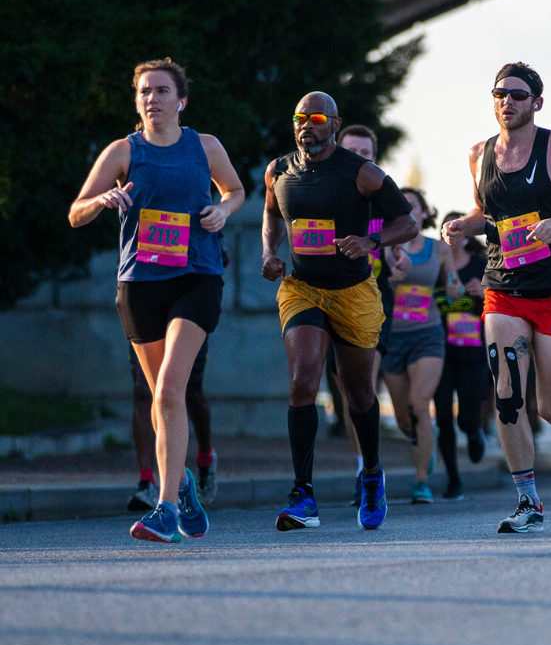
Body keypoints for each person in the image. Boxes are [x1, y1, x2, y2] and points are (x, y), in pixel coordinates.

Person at [70, 58, 244, 542]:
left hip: (197, 276)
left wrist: (222, 210)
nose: (151, 98)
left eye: (161, 90)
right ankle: (181, 480)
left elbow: (236, 190)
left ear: (180, 100)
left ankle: (165, 510)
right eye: (144, 91)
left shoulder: (204, 146)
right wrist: (101, 202)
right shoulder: (122, 152)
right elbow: (75, 213)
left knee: (170, 390)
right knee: (158, 398)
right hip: (140, 284)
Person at [442, 62, 551, 534]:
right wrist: (464, 223)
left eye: (518, 95)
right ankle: (528, 502)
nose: (508, 102)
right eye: (500, 93)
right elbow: (487, 212)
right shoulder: (479, 153)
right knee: (505, 393)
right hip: (503, 288)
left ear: (536, 102)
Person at [262, 92, 417, 531]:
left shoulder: (362, 173)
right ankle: (303, 495)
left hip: (353, 291)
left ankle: (371, 475)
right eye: (298, 118)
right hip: (302, 288)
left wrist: (371, 242)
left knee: (360, 394)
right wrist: (269, 252)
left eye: (315, 118)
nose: (305, 126)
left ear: (334, 123)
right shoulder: (278, 171)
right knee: (302, 381)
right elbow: (271, 216)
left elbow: (407, 222)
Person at [330, 123, 410, 505]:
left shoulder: (380, 196)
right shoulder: (322, 194)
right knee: (347, 389)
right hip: (327, 297)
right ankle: (362, 465)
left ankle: (370, 470)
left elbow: (400, 234)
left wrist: (398, 259)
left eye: (365, 153)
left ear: (373, 157)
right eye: (352, 151)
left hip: (375, 301)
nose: (358, 158)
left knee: (364, 382)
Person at [384, 188, 463, 504]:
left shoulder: (438, 249)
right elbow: (375, 286)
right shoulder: (384, 248)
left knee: (420, 405)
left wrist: (457, 287)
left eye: (411, 206)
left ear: (423, 213)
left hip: (427, 334)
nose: (407, 212)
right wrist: (391, 278)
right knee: (405, 420)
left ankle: (421, 482)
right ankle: (423, 448)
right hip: (390, 335)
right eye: (400, 208)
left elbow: (453, 288)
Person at [434, 211, 490, 500]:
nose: (454, 236)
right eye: (449, 230)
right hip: (438, 352)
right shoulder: (434, 266)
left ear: (467, 235)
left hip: (473, 352)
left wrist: (483, 292)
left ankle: (474, 432)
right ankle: (454, 479)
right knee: (442, 416)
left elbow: (504, 304)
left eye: (459, 230)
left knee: (466, 418)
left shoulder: (482, 266)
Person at [127, 340, 217, 510]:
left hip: (183, 319)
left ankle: (206, 459)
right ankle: (147, 482)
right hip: (148, 317)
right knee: (143, 389)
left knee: (191, 392)